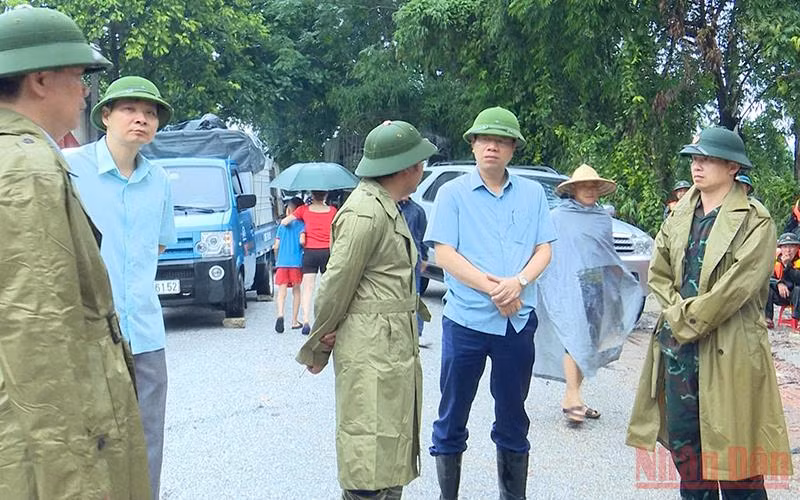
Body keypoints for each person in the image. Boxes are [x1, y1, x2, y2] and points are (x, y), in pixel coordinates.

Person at [0, 6, 150, 498]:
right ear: (40, 80)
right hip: (51, 445)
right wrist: (75, 480)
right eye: (79, 75)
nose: (85, 90)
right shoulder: (27, 168)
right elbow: (37, 334)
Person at [627, 126, 793, 498]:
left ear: (733, 167)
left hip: (729, 352)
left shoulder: (755, 220)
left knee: (738, 468)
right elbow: (660, 272)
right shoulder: (680, 213)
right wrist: (676, 317)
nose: (697, 166)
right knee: (689, 465)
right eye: (694, 159)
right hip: (679, 356)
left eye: (707, 159)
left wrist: (683, 320)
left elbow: (736, 290)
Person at [296, 120, 437, 499]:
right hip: (372, 348)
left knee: (389, 451)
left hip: (388, 345)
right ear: (406, 166)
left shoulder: (384, 205)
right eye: (419, 161)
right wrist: (318, 348)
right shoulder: (365, 212)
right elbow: (335, 286)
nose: (422, 169)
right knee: (367, 459)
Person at [425, 106, 556, 500]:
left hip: (516, 324)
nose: (492, 147)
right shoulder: (453, 194)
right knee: (452, 417)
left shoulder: (533, 194)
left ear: (513, 148)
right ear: (473, 144)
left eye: (501, 140)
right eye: (485, 139)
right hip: (465, 321)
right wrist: (493, 288)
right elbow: (444, 253)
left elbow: (544, 249)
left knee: (514, 418)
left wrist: (518, 282)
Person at [65, 75, 176, 499]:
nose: (141, 119)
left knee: (148, 442)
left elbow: (159, 243)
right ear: (106, 115)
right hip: (88, 335)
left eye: (150, 113)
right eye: (130, 109)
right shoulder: (70, 167)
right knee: (90, 441)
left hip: (146, 333)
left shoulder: (160, 180)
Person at [534, 164, 642, 425]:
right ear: (573, 190)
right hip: (566, 285)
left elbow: (606, 255)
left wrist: (619, 283)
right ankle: (571, 398)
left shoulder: (602, 218)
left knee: (589, 342)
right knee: (574, 339)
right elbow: (547, 251)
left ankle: (576, 395)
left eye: (594, 186)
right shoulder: (556, 217)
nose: (590, 190)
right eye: (585, 185)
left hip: (596, 286)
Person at [282, 190, 337, 335]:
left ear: (312, 196)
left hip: (310, 252)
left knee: (308, 288)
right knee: (327, 287)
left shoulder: (304, 210)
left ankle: (306, 320)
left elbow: (285, 222)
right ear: (325, 195)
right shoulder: (332, 211)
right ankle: (326, 320)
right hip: (327, 252)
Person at [273, 196, 306, 332]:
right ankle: (294, 321)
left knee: (281, 291)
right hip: (296, 263)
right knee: (296, 291)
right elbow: (302, 242)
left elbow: (276, 246)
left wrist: (278, 259)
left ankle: (280, 315)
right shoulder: (302, 225)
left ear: (288, 210)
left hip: (282, 263)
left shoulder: (281, 226)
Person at [399, 195, 428, 336]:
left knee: (414, 294)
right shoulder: (392, 207)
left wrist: (425, 257)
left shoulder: (418, 211)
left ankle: (417, 331)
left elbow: (423, 236)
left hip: (414, 258)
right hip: (395, 257)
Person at [765, 232, 800, 329]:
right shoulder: (774, 259)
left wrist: (788, 266)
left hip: (796, 295)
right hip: (781, 295)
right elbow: (766, 277)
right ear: (780, 248)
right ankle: (768, 318)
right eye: (785, 247)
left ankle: (797, 320)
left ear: (797, 248)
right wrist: (778, 283)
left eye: (792, 246)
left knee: (798, 289)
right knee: (766, 287)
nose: (788, 250)